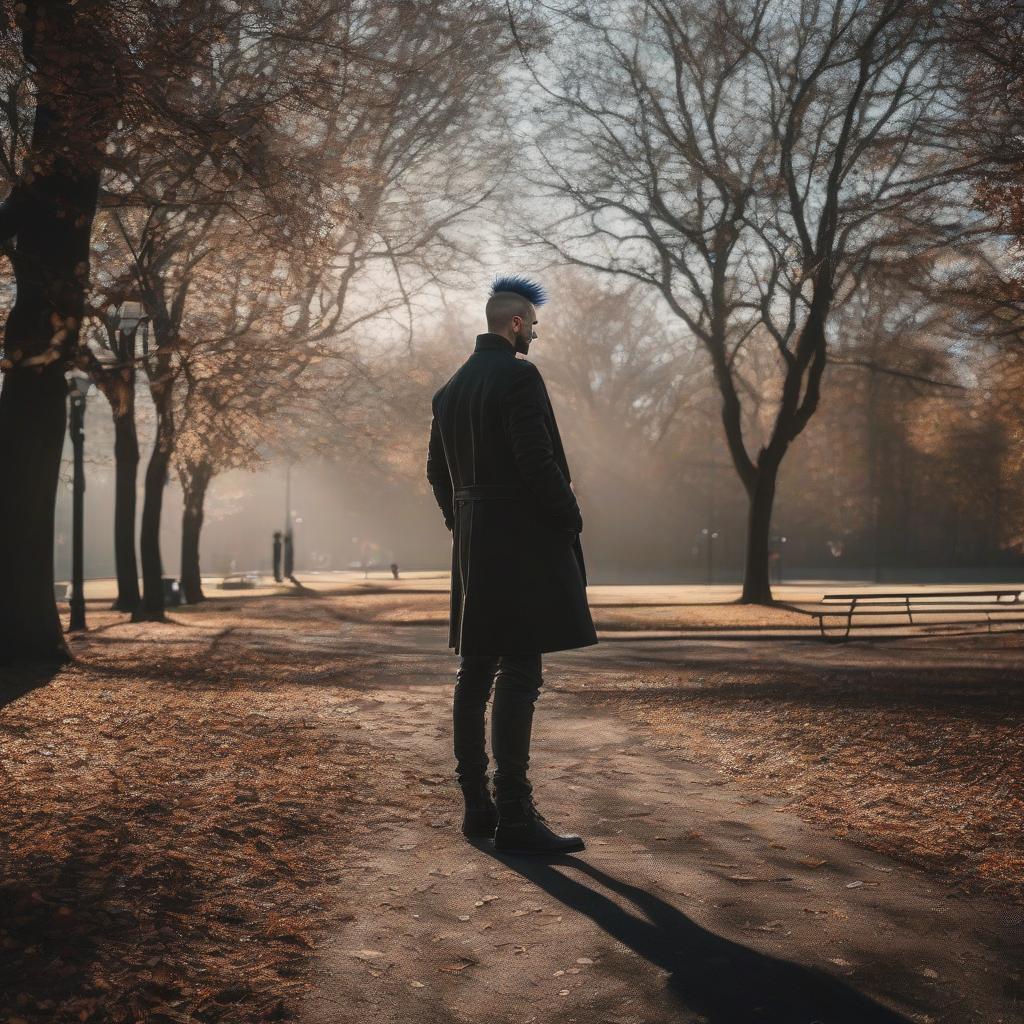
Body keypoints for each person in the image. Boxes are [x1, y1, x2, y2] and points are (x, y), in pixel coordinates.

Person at [426, 275, 597, 855]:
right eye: (534, 326)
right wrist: (568, 516)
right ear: (516, 323)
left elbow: (436, 473)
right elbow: (535, 458)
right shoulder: (519, 375)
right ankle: (517, 814)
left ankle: (478, 807)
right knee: (521, 670)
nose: (535, 337)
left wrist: (464, 523)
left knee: (475, 673)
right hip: (519, 540)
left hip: (476, 541)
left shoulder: (449, 389)